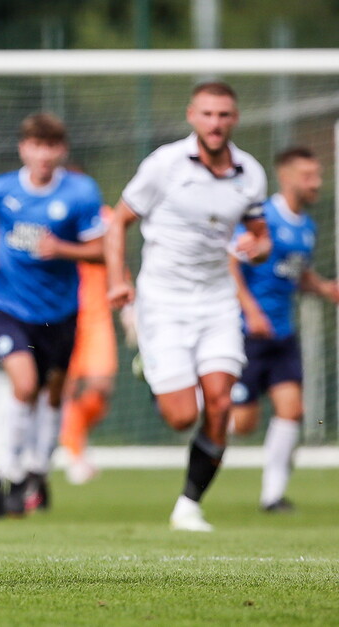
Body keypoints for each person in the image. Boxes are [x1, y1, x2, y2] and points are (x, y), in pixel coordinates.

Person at [105, 81, 270, 532]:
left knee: (220, 405)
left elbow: (261, 235)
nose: (216, 123)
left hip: (217, 301)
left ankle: (189, 504)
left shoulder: (250, 173)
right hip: (163, 301)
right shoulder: (165, 164)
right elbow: (118, 222)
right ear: (192, 116)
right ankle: (151, 365)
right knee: (183, 417)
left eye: (224, 115)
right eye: (208, 114)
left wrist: (256, 247)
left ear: (235, 119)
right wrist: (118, 280)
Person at [0, 113, 104, 518]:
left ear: (62, 151)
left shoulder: (80, 193)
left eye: (52, 146)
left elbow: (100, 250)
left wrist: (63, 250)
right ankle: (8, 472)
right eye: (36, 145)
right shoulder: (1, 189)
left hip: (59, 311)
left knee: (53, 394)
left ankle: (38, 470)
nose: (44, 154)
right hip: (8, 306)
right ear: (23, 148)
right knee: (25, 386)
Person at [229, 146, 337, 513]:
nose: (316, 183)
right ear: (287, 177)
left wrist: (323, 287)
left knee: (291, 410)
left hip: (282, 335)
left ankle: (272, 496)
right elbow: (231, 263)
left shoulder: (307, 225)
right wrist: (251, 310)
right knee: (242, 424)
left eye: (317, 175)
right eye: (309, 176)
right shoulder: (265, 217)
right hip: (248, 334)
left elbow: (295, 273)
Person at [59, 205, 122, 485]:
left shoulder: (105, 216)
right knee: (66, 389)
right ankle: (72, 452)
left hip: (97, 315)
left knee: (101, 388)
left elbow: (116, 257)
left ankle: (73, 439)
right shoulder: (56, 215)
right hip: (64, 313)